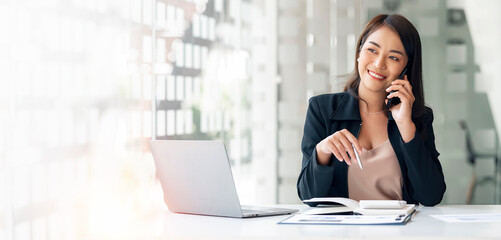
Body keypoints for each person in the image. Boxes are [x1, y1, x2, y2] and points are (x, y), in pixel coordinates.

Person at [297, 14, 446, 206]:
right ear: (359, 52)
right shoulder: (322, 110)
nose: (379, 64)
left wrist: (406, 126)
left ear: (406, 67)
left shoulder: (418, 118)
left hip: (401, 232)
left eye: (393, 57)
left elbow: (431, 196)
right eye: (372, 50)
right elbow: (308, 197)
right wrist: (323, 151)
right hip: (343, 233)